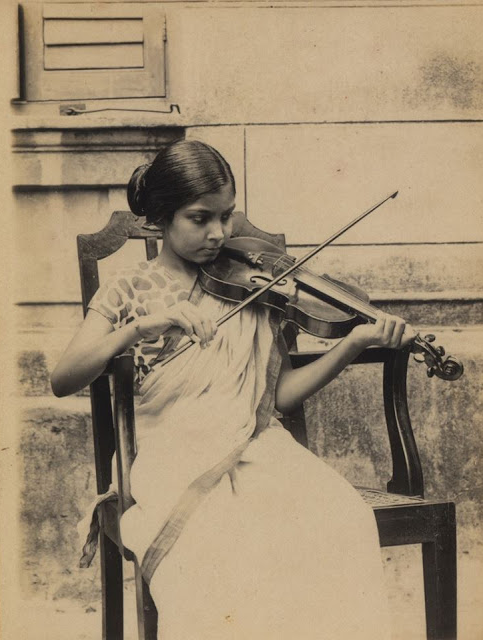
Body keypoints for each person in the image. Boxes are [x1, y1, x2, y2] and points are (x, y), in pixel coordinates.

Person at [52, 139, 414, 639]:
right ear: (162, 216)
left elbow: (280, 397)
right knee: (220, 543)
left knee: (340, 517)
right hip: (166, 455)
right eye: (200, 219)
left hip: (258, 446)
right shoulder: (129, 288)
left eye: (226, 217)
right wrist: (138, 328)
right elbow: (63, 378)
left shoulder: (252, 284)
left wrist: (352, 344)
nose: (219, 234)